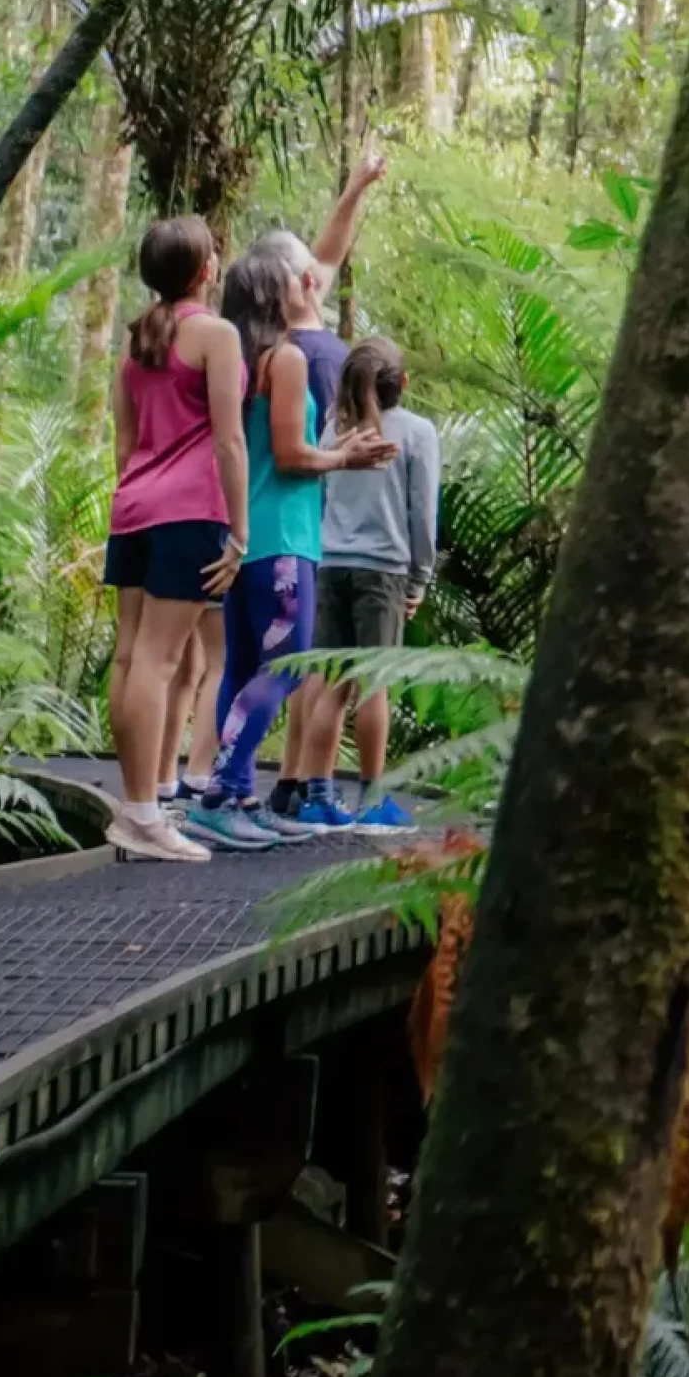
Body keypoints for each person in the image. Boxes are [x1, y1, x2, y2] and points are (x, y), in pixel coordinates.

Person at [182, 244, 394, 853]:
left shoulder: (237, 362)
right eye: (296, 283)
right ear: (277, 296)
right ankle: (222, 791)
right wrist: (345, 456)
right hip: (284, 539)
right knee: (286, 666)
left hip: (244, 534)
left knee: (246, 669)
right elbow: (292, 455)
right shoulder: (288, 362)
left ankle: (238, 791)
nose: (310, 286)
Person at [101, 216, 247, 864]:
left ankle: (137, 804)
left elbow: (125, 445)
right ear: (205, 269)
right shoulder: (216, 334)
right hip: (189, 511)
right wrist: (239, 532)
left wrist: (135, 497)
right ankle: (142, 813)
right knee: (160, 659)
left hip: (132, 505)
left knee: (132, 656)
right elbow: (228, 439)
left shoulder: (136, 344)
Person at [252, 153, 387, 804]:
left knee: (303, 660)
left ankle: (287, 780)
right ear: (301, 283)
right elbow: (318, 445)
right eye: (314, 274)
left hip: (296, 526)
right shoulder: (312, 360)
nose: (323, 274)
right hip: (317, 523)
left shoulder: (267, 342)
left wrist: (357, 185)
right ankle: (305, 785)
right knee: (320, 664)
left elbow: (327, 253)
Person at [315, 339, 440, 830]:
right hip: (383, 570)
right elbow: (422, 511)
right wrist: (420, 578)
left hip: (330, 563)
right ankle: (373, 799)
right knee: (374, 686)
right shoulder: (417, 432)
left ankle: (316, 794)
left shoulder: (333, 430)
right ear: (403, 383)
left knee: (331, 681)